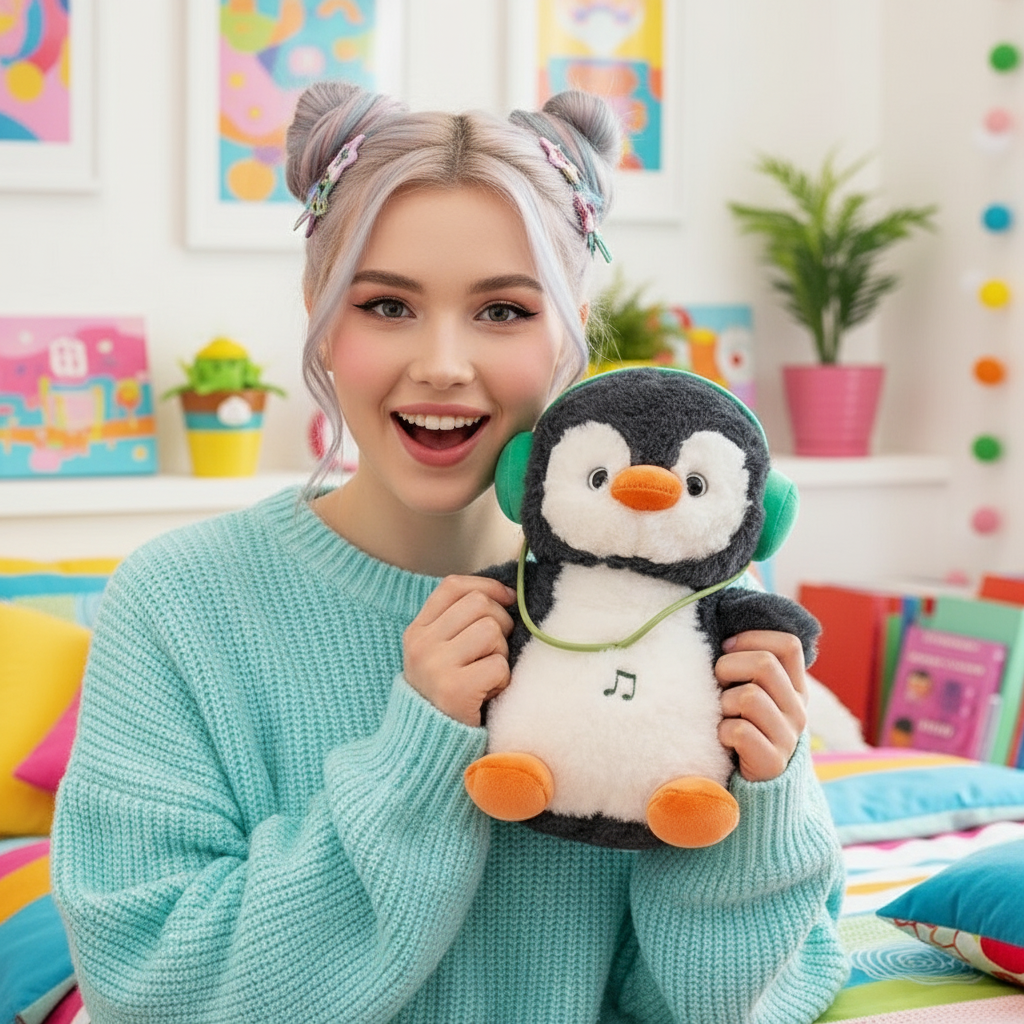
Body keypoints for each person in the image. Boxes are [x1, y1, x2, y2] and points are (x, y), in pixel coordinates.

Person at [51, 82, 848, 1023]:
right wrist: (419, 754)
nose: (441, 362)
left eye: (503, 311)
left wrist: (754, 805)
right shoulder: (177, 602)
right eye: (387, 305)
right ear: (319, 309)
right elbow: (152, 990)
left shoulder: (687, 598)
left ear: (570, 325)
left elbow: (742, 1007)